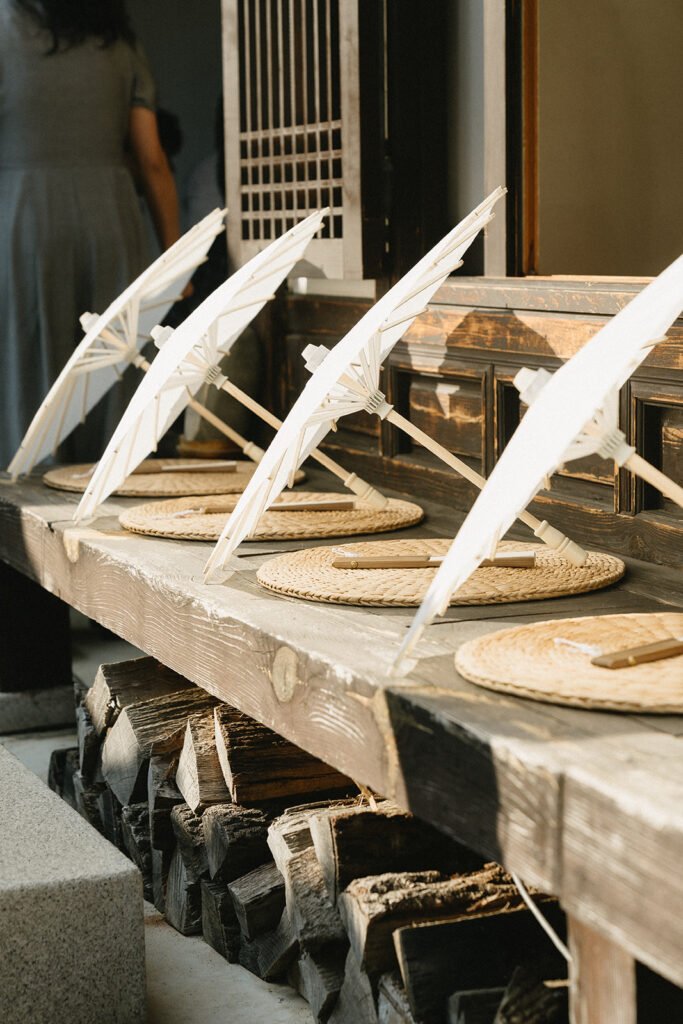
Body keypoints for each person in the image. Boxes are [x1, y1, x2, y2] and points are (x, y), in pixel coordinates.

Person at [0, 0, 183, 465]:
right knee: (113, 356)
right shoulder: (116, 36)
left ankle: (32, 487)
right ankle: (112, 479)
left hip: (21, 217)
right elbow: (152, 160)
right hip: (110, 218)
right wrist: (176, 258)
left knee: (28, 352)